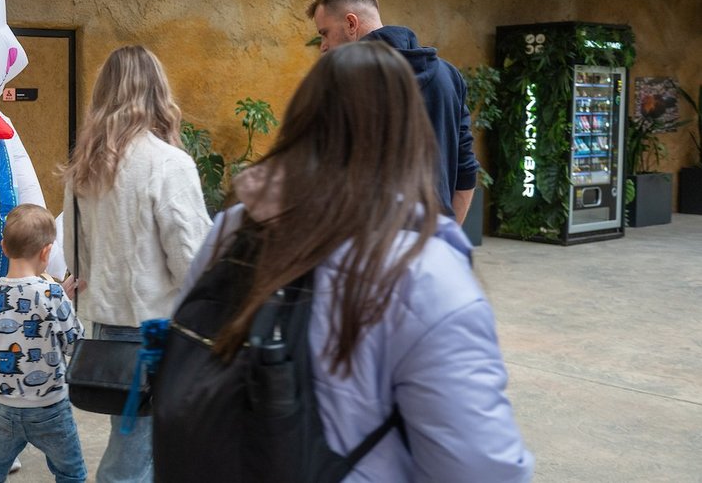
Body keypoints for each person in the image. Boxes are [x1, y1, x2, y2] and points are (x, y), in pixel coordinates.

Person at [179, 41, 534, 481]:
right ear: (411, 133)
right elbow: (481, 469)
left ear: (303, 119)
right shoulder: (426, 275)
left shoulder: (231, 229)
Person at [63, 45, 212, 483]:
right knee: (135, 455)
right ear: (158, 92)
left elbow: (76, 260)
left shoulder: (84, 168)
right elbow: (192, 261)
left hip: (108, 328)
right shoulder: (169, 164)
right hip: (160, 328)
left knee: (138, 441)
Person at [306, 0, 479, 223]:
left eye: (325, 33)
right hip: (430, 237)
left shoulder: (341, 81)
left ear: (351, 23)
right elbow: (466, 171)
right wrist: (446, 236)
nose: (323, 47)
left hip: (364, 239)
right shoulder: (449, 76)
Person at [0, 203, 87, 483]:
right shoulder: (52, 293)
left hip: (5, 406)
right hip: (50, 406)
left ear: (4, 247)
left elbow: (21, 312)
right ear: (46, 252)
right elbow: (75, 344)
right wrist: (64, 300)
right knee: (71, 474)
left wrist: (60, 295)